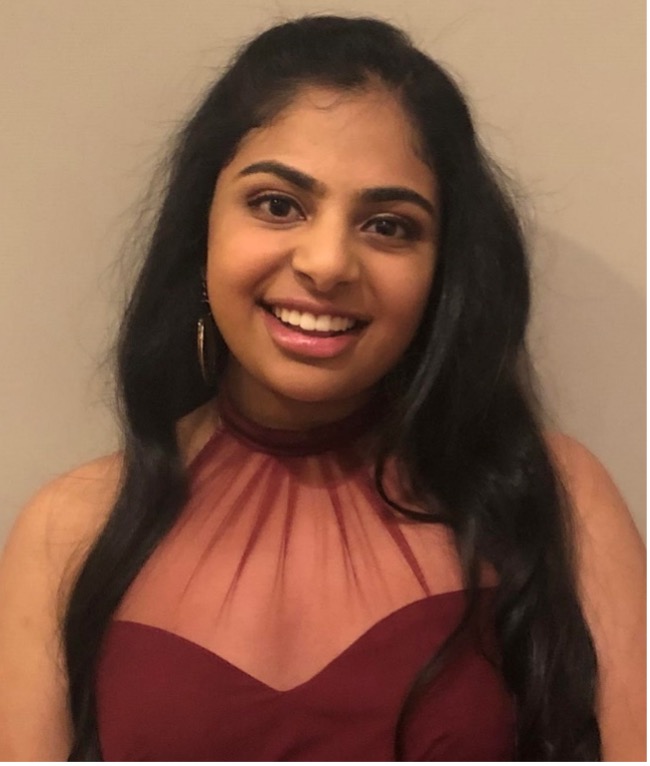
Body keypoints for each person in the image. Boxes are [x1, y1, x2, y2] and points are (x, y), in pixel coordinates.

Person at [0, 14, 645, 762]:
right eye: (278, 205)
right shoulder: (69, 532)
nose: (329, 262)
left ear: (440, 273)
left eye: (388, 225)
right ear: (201, 230)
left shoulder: (556, 497)